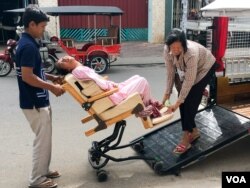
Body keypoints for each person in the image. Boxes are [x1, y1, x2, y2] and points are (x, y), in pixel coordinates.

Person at [15, 5, 65, 188]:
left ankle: (43, 171)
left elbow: (34, 71)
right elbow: (28, 77)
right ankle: (36, 180)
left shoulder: (28, 42)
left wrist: (51, 77)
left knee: (45, 139)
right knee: (41, 141)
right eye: (42, 27)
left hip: (37, 99)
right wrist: (51, 87)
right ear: (32, 24)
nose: (44, 30)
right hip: (34, 102)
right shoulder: (27, 46)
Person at [162, 28, 216, 155]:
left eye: (178, 48)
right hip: (189, 72)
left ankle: (186, 138)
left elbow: (189, 81)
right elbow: (170, 73)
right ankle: (194, 131)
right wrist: (166, 95)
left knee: (189, 100)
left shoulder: (191, 53)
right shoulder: (167, 50)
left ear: (184, 45)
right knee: (183, 100)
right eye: (172, 48)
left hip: (205, 68)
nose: (175, 51)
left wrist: (178, 102)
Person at [56, 56, 165, 118]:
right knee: (142, 81)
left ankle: (148, 105)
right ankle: (145, 110)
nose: (63, 59)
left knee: (137, 77)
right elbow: (101, 83)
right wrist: (111, 86)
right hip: (112, 95)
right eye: (61, 63)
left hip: (111, 91)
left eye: (61, 58)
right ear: (67, 69)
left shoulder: (78, 70)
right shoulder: (79, 70)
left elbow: (97, 81)